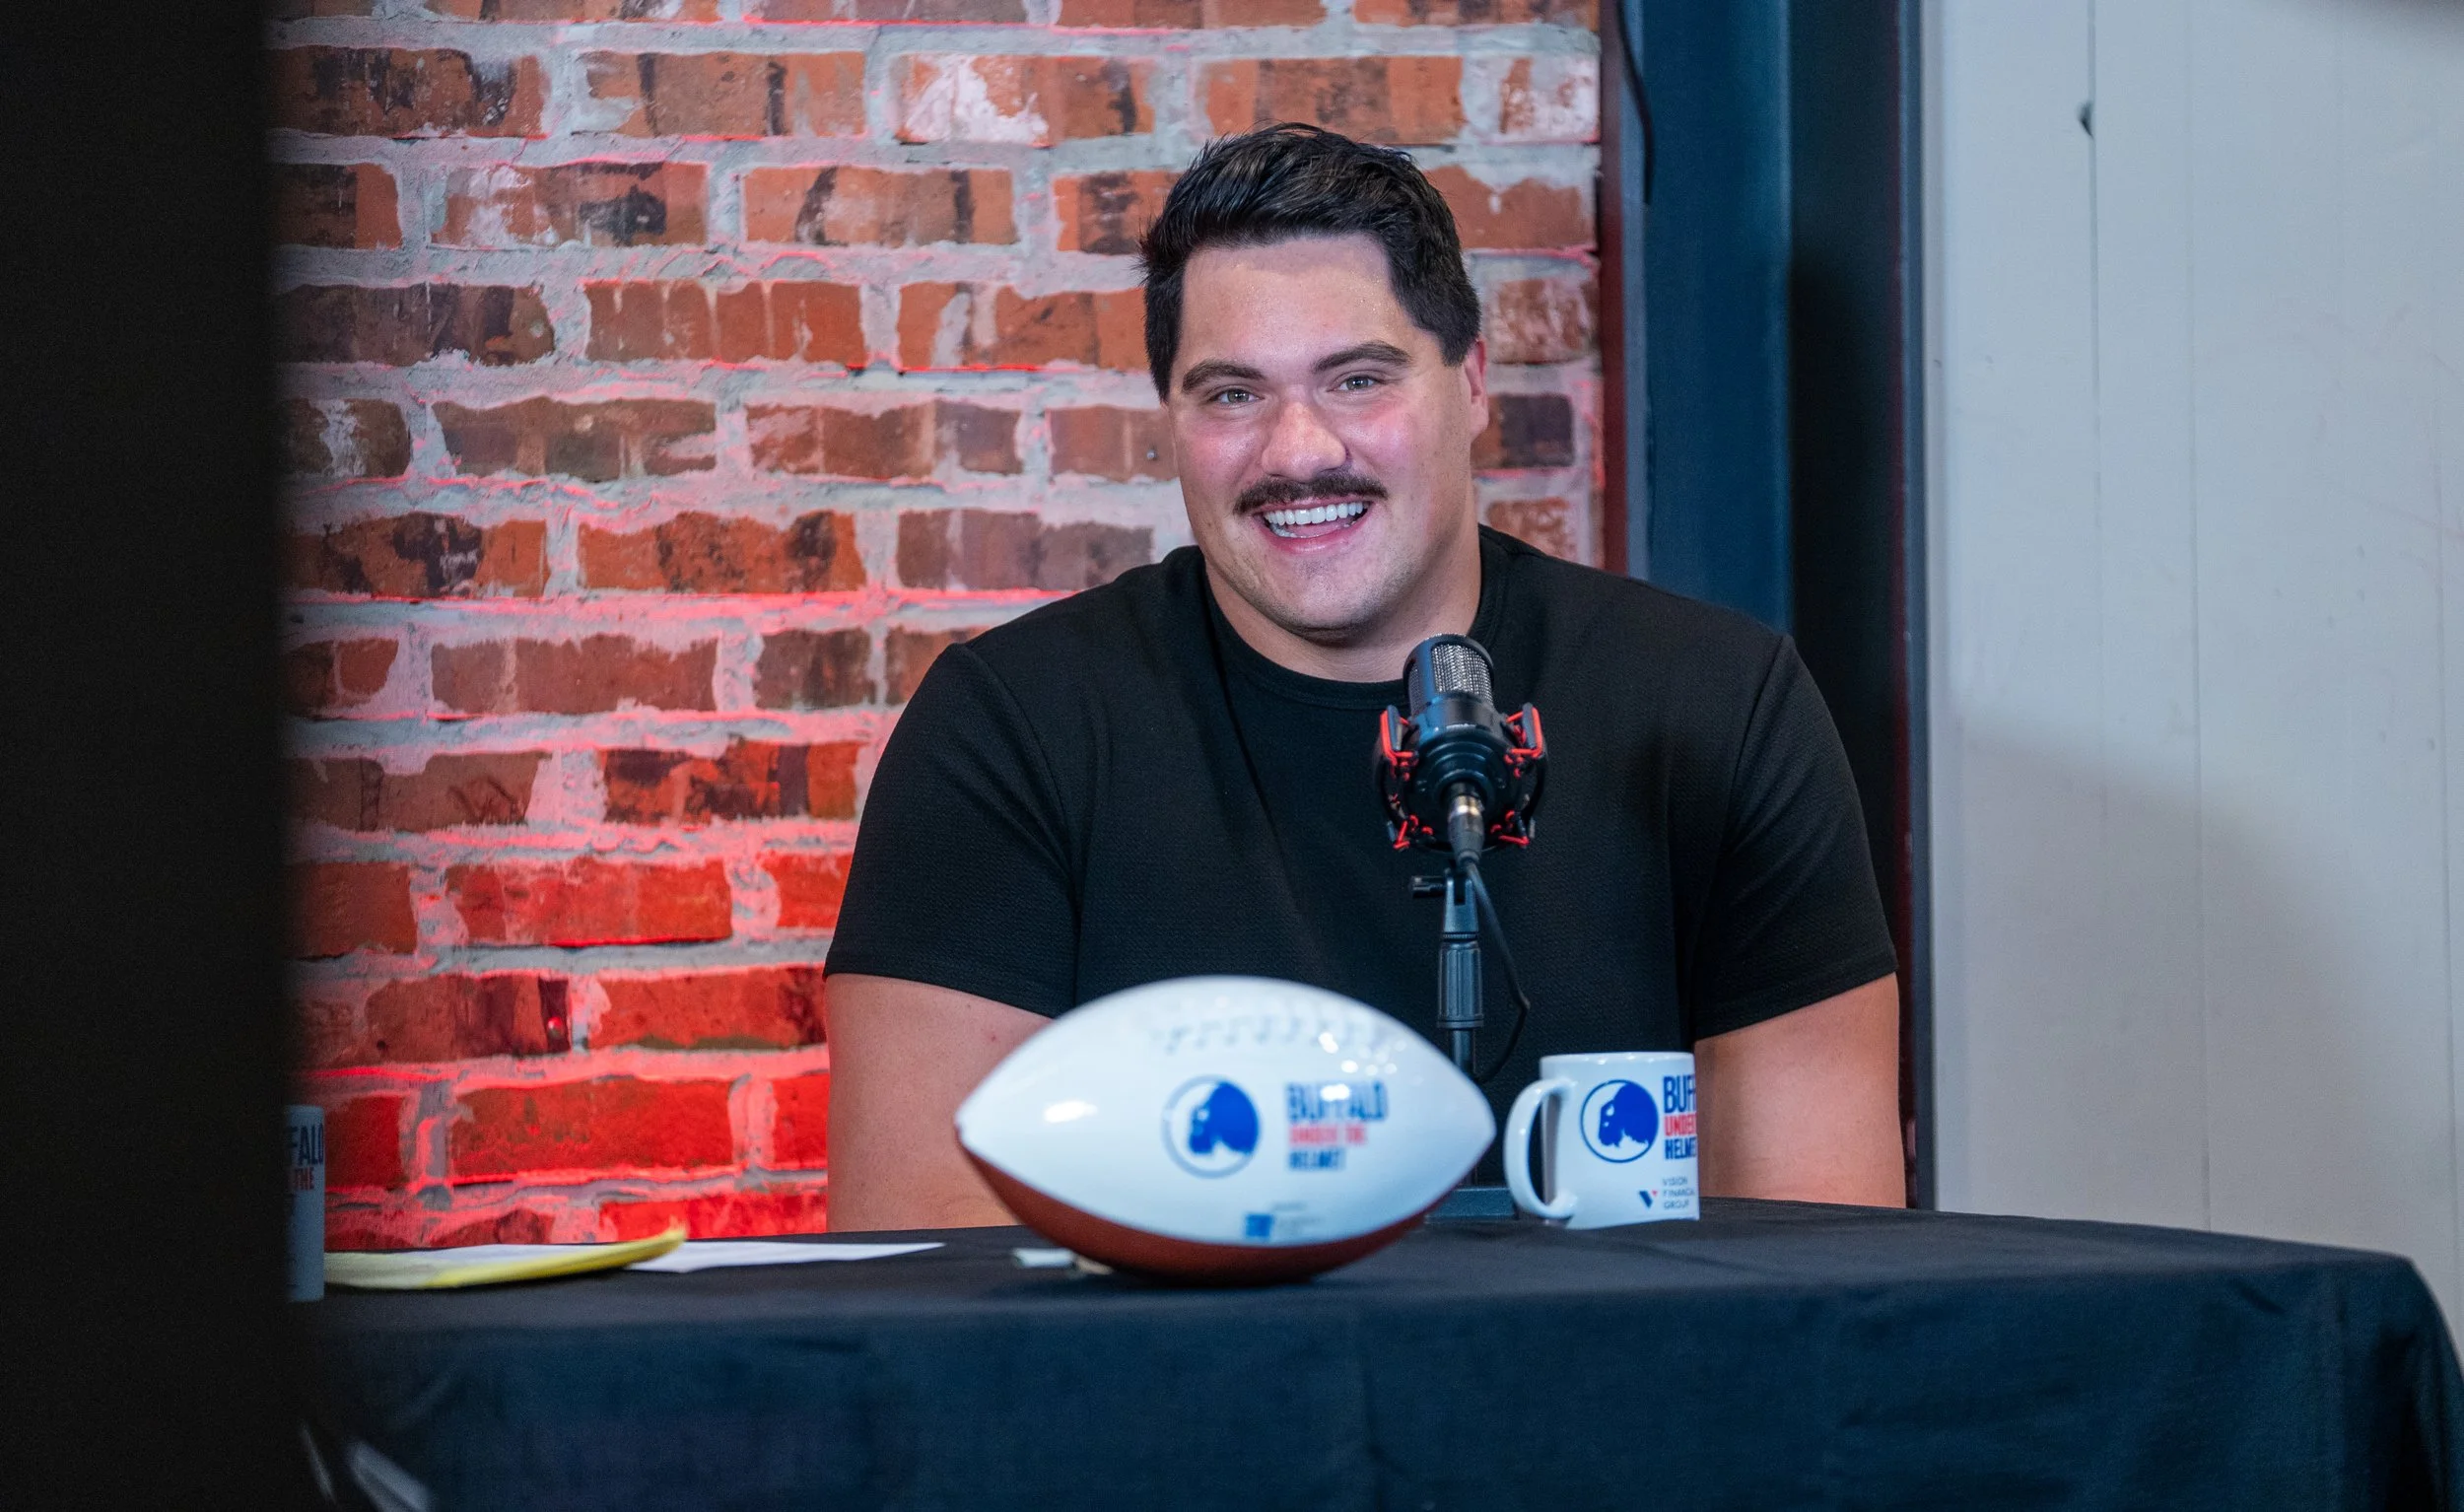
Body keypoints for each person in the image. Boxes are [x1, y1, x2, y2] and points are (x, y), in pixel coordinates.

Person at [822, 123, 1905, 1230]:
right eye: (1232, 394)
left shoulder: (1716, 705)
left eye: (1356, 379)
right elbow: (926, 1269)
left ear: (1472, 381)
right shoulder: (1011, 731)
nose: (1297, 450)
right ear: (1172, 421)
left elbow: (1826, 1262)